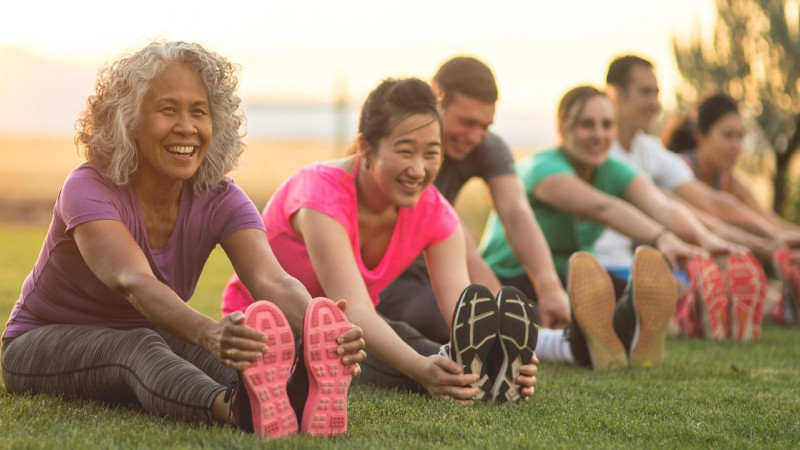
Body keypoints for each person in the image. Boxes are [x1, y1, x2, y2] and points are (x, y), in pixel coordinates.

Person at [0, 41, 366, 440]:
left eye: (199, 112)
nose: (187, 127)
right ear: (130, 121)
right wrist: (210, 332)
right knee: (139, 345)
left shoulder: (221, 198)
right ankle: (234, 408)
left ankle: (293, 392)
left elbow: (271, 280)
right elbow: (134, 282)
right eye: (167, 110)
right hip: (38, 343)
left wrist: (320, 324)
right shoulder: (88, 187)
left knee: (246, 350)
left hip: (153, 330)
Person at [222, 78, 538, 403]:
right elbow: (355, 310)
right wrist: (420, 368)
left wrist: (495, 349)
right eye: (405, 151)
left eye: (432, 153)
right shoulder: (320, 195)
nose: (419, 169)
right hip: (266, 326)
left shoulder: (435, 213)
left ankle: (491, 374)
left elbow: (462, 314)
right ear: (365, 147)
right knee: (372, 347)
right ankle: (465, 377)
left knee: (405, 340)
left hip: (349, 332)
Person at [480, 86, 713, 369]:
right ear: (563, 126)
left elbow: (660, 205)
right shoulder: (543, 168)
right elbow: (602, 207)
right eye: (586, 125)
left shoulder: (613, 169)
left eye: (607, 125)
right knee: (535, 315)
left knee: (632, 295)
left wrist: (705, 240)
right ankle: (599, 338)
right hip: (516, 276)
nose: (599, 135)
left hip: (577, 277)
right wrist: (663, 238)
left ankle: (624, 334)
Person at [377, 57, 570, 345]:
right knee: (450, 319)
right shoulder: (402, 148)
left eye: (485, 125)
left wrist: (549, 284)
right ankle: (547, 342)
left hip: (441, 272)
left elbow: (516, 212)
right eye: (467, 122)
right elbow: (453, 232)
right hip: (389, 278)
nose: (475, 136)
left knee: (521, 308)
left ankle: (567, 337)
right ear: (436, 101)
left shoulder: (486, 146)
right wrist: (500, 309)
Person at [598, 55, 788, 338]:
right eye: (645, 92)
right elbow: (678, 209)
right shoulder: (598, 151)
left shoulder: (648, 149)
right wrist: (763, 242)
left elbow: (712, 201)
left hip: (639, 262)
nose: (655, 102)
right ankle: (693, 314)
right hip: (605, 264)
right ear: (614, 94)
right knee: (686, 293)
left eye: (657, 93)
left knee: (727, 289)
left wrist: (779, 235)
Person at [664, 93, 800, 325]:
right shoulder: (678, 171)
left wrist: (790, 236)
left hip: (713, 264)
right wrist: (771, 247)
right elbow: (708, 220)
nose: (736, 146)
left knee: (769, 294)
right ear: (700, 136)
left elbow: (766, 219)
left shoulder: (729, 180)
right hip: (676, 266)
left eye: (740, 137)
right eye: (727, 136)